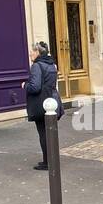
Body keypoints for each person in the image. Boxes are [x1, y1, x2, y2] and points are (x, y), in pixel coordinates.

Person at [25, 41, 62, 170]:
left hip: (42, 104)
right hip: (53, 101)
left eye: (32, 51)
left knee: (43, 134)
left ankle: (48, 162)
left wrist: (25, 85)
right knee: (50, 133)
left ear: (37, 52)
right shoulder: (52, 64)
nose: (30, 53)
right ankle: (51, 160)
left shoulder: (37, 66)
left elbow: (35, 87)